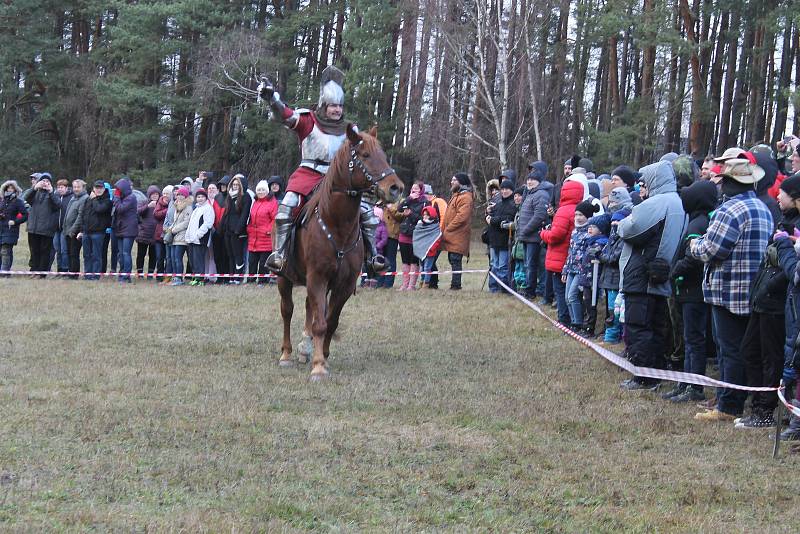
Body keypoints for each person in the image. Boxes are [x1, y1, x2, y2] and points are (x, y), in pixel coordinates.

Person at [259, 67, 385, 273]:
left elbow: (363, 151)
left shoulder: (349, 129)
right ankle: (279, 254)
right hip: (308, 174)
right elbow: (285, 115)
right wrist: (272, 98)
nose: (337, 110)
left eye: (340, 106)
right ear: (324, 105)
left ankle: (372, 257)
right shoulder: (309, 120)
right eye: (333, 106)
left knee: (367, 213)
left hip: (338, 180)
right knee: (288, 205)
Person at [689, 157, 773, 421]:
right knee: (744, 350)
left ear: (728, 183)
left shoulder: (730, 210)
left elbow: (712, 249)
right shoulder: (762, 208)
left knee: (730, 351)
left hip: (728, 292)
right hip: (754, 290)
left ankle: (728, 406)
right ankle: (736, 398)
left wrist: (693, 244)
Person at [617, 160, 687, 391]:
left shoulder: (657, 203)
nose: (641, 188)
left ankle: (643, 376)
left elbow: (631, 229)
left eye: (644, 183)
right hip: (662, 273)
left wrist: (621, 223)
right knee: (657, 326)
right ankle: (655, 372)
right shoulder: (679, 202)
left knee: (639, 325)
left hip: (642, 274)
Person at [662, 180, 718, 403]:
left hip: (693, 291)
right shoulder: (696, 220)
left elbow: (693, 258)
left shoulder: (699, 224)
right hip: (686, 290)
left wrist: (673, 271)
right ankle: (684, 382)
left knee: (694, 340)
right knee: (688, 339)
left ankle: (694, 386)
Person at [540, 180, 584, 325]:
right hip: (573, 259)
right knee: (573, 293)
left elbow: (555, 235)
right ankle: (573, 320)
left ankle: (564, 320)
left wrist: (543, 233)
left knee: (561, 292)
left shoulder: (563, 211)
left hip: (560, 258)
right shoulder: (580, 209)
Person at [516, 168, 553, 298]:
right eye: (528, 179)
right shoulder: (530, 193)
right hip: (526, 237)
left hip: (534, 237)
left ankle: (531, 291)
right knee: (528, 265)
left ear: (539, 181)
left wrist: (525, 230)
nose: (530, 182)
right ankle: (529, 288)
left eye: (533, 180)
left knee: (532, 265)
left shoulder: (541, 194)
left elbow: (539, 216)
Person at [562, 200, 596, 331]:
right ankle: (573, 322)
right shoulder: (574, 232)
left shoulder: (589, 233)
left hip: (581, 270)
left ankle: (578, 323)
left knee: (572, 296)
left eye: (581, 215)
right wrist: (565, 270)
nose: (578, 218)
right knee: (567, 298)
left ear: (587, 216)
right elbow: (570, 252)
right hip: (571, 268)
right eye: (576, 215)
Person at [441, 172, 474, 291]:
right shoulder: (456, 195)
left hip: (458, 235)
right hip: (451, 235)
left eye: (454, 180)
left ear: (461, 182)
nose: (452, 182)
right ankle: (454, 284)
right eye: (452, 180)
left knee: (455, 260)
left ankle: (456, 285)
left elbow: (462, 217)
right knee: (452, 259)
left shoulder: (466, 197)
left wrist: (448, 228)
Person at [23, 173, 59, 277]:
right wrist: (34, 188)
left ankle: (42, 273)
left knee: (45, 252)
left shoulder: (53, 194)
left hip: (46, 229)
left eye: (48, 182)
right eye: (43, 181)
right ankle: (34, 270)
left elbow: (57, 205)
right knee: (34, 251)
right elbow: (26, 198)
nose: (45, 183)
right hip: (33, 228)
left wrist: (51, 192)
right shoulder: (35, 193)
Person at [580, 213, 610, 337]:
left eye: (593, 227)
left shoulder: (602, 244)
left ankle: (591, 328)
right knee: (586, 303)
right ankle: (586, 325)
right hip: (586, 279)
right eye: (589, 226)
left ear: (601, 230)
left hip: (595, 280)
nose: (590, 229)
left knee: (593, 304)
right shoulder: (589, 242)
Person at [485, 179, 517, 293]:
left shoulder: (513, 205)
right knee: (494, 265)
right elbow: (492, 217)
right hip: (494, 241)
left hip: (504, 241)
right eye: (502, 189)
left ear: (511, 190)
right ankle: (493, 288)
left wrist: (492, 220)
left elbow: (505, 219)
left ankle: (504, 288)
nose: (504, 191)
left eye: (506, 189)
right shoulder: (498, 204)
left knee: (503, 267)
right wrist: (488, 214)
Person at [396, 181, 428, 291]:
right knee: (405, 260)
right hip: (404, 233)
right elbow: (399, 209)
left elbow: (424, 219)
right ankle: (404, 284)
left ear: (421, 190)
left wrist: (411, 214)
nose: (413, 190)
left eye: (416, 189)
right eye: (412, 188)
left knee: (414, 260)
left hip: (417, 234)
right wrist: (409, 198)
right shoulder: (408, 200)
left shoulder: (425, 202)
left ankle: (412, 285)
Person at [220, 174, 251, 284]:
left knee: (238, 255)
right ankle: (231, 277)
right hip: (227, 230)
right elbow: (226, 213)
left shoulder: (246, 196)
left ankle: (238, 277)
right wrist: (221, 226)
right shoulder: (229, 196)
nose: (235, 186)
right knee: (230, 255)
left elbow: (245, 214)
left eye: (237, 184)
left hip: (237, 231)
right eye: (233, 184)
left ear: (242, 185)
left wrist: (238, 229)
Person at [79, 180, 113, 280]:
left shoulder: (107, 201)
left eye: (100, 188)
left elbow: (99, 209)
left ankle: (95, 275)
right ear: (93, 189)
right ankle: (87, 274)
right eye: (96, 188)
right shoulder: (88, 200)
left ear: (104, 189)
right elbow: (84, 214)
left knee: (96, 255)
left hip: (98, 232)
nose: (98, 190)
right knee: (86, 255)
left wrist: (94, 199)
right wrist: (82, 229)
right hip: (86, 232)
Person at [247, 180, 278, 284]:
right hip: (254, 237)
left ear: (267, 191)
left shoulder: (272, 202)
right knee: (251, 261)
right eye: (258, 190)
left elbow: (275, 219)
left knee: (263, 262)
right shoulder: (255, 202)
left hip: (266, 237)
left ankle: (262, 281)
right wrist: (249, 229)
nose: (260, 192)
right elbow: (251, 218)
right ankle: (250, 280)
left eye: (263, 190)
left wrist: (269, 230)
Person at [185, 188, 215, 285]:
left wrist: (199, 234)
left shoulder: (208, 208)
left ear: (205, 198)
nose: (200, 199)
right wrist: (188, 236)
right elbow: (191, 224)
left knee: (199, 260)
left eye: (202, 197)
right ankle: (195, 278)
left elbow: (208, 223)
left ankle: (200, 279)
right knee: (192, 261)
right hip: (191, 239)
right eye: (198, 197)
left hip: (200, 239)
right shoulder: (196, 209)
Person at [112, 178, 139, 283]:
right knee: (120, 253)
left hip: (129, 229)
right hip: (120, 228)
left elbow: (120, 208)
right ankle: (122, 272)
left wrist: (116, 197)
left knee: (126, 253)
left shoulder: (131, 198)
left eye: (118, 189)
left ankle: (126, 276)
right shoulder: (123, 197)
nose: (116, 191)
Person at [165, 187, 193, 286]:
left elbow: (186, 222)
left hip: (182, 236)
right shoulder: (176, 206)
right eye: (178, 194)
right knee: (172, 258)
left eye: (182, 195)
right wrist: (169, 229)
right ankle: (175, 277)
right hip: (174, 236)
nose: (180, 196)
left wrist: (174, 229)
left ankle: (179, 278)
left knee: (178, 258)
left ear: (185, 196)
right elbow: (175, 220)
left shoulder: (188, 207)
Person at [0, 180, 28, 275]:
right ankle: (5, 271)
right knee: (3, 251)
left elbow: (25, 215)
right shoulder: (2, 201)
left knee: (5, 251)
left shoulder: (18, 202)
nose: (9, 190)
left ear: (15, 190)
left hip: (10, 230)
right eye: (7, 188)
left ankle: (4, 273)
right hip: (1, 229)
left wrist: (15, 221)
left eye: (11, 188)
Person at [423, 184, 447, 289]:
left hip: (437, 236)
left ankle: (433, 283)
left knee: (431, 260)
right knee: (427, 260)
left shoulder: (439, 201)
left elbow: (444, 216)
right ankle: (431, 282)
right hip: (427, 236)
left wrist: (439, 232)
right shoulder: (426, 203)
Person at [63, 179, 88, 279]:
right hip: (68, 230)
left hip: (75, 231)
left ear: (83, 188)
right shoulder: (73, 198)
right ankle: (70, 272)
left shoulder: (84, 198)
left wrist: (73, 230)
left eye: (78, 187)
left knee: (74, 253)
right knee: (69, 253)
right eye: (74, 187)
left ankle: (74, 274)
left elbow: (80, 216)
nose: (76, 189)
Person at [413, 205, 442, 289]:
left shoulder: (435, 226)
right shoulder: (420, 225)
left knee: (427, 268)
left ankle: (426, 284)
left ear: (431, 215)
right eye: (424, 214)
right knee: (422, 268)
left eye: (427, 215)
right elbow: (417, 236)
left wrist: (431, 248)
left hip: (430, 252)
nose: (425, 216)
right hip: (421, 251)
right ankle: (421, 282)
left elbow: (437, 239)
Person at [136, 185, 161, 277]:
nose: (154, 196)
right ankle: (139, 272)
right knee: (141, 254)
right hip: (144, 233)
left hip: (155, 233)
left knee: (153, 255)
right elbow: (138, 212)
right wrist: (148, 206)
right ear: (149, 195)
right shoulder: (144, 202)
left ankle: (150, 273)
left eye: (156, 194)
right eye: (153, 194)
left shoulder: (161, 204)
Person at [379, 201, 403, 288]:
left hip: (392, 235)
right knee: (381, 259)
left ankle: (388, 283)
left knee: (390, 259)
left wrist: (390, 207)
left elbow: (400, 217)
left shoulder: (400, 202)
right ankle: (380, 281)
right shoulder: (382, 202)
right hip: (381, 235)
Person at [52, 179, 73, 273]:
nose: (60, 189)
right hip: (56, 228)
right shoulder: (54, 197)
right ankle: (59, 269)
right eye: (59, 187)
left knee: (64, 250)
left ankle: (65, 269)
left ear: (66, 188)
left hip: (65, 228)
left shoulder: (71, 197)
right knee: (57, 249)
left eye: (62, 187)